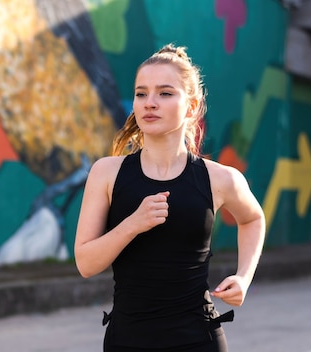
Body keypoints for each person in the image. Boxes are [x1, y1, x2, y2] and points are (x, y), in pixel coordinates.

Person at [74, 44, 266, 352]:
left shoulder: (220, 178)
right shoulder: (107, 173)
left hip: (198, 340)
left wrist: (244, 277)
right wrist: (132, 224)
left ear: (190, 106)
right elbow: (85, 263)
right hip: (128, 340)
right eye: (141, 93)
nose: (150, 103)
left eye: (165, 93)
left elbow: (253, 218)